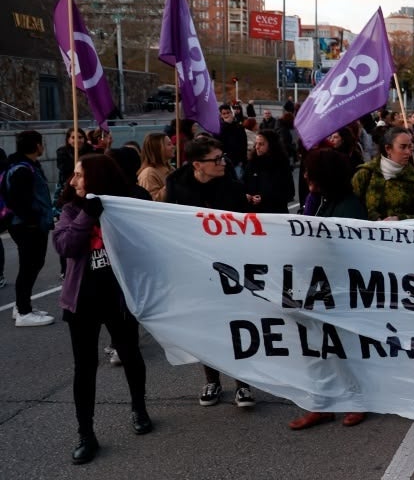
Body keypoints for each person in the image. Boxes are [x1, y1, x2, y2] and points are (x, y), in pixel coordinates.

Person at [52, 154, 153, 464]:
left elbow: (145, 243)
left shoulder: (124, 206)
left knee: (131, 354)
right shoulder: (71, 209)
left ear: (96, 177)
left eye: (80, 175)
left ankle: (139, 407)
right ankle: (86, 433)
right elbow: (65, 247)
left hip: (118, 297)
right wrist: (88, 216)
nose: (73, 181)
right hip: (82, 301)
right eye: (74, 175)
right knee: (84, 368)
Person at [165, 136, 257, 408]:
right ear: (198, 165)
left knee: (236, 323)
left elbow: (245, 227)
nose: (222, 162)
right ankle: (212, 381)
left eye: (222, 156)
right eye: (216, 159)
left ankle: (243, 383)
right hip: (194, 266)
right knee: (206, 324)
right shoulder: (176, 185)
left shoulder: (232, 187)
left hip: (229, 264)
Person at [288, 149, 368, 431]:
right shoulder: (314, 200)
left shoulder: (348, 206)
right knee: (310, 350)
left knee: (340, 349)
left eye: (311, 171)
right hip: (308, 284)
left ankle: (356, 400)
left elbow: (354, 253)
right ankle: (320, 404)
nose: (306, 175)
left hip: (335, 289)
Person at [7, 130, 55, 327]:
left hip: (27, 225)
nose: (43, 147)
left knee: (32, 265)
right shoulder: (22, 170)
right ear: (36, 146)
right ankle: (24, 312)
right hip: (26, 226)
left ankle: (22, 305)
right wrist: (34, 221)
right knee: (29, 266)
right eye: (41, 143)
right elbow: (19, 201)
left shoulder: (26, 166)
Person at [352, 127, 414, 221]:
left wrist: (400, 219)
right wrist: (372, 216)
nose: (408, 152)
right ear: (388, 148)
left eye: (410, 147)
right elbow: (352, 206)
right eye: (402, 147)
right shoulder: (366, 173)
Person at [243, 129, 294, 214]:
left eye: (261, 144)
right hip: (254, 214)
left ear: (271, 146)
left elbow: (289, 192)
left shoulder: (281, 164)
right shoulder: (252, 163)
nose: (257, 147)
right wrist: (246, 195)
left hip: (274, 215)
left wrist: (264, 198)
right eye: (256, 143)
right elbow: (244, 183)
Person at [137, 132, 174, 202]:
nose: (173, 146)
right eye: (169, 144)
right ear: (158, 149)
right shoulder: (148, 174)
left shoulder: (171, 169)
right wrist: (172, 183)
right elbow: (152, 202)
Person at [217, 104, 248, 179]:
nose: (226, 115)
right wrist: (226, 124)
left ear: (231, 113)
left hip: (238, 161)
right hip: (225, 161)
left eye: (228, 112)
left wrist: (242, 160)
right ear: (221, 115)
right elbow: (219, 142)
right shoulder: (219, 128)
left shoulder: (239, 127)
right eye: (224, 113)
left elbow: (244, 144)